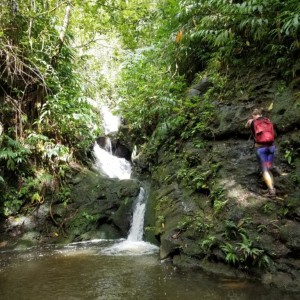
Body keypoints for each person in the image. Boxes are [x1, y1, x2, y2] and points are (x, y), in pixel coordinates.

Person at [245, 108, 276, 197]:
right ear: (261, 114)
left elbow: (246, 127)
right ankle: (270, 188)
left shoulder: (252, 122)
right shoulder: (268, 120)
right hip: (271, 147)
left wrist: (250, 120)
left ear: (253, 115)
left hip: (261, 148)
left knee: (264, 170)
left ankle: (271, 191)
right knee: (269, 169)